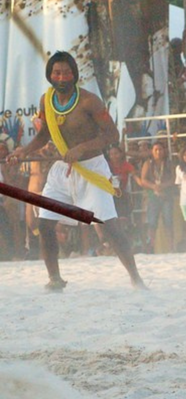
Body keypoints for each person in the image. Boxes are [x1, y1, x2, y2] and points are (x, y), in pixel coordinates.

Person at [6, 51, 145, 291]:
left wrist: (82, 148)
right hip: (62, 171)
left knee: (109, 226)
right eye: (57, 73)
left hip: (92, 169)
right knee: (46, 223)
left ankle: (136, 278)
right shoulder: (45, 101)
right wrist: (23, 151)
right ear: (50, 75)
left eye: (67, 72)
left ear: (75, 75)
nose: (62, 78)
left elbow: (112, 135)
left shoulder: (90, 101)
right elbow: (44, 134)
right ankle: (55, 279)